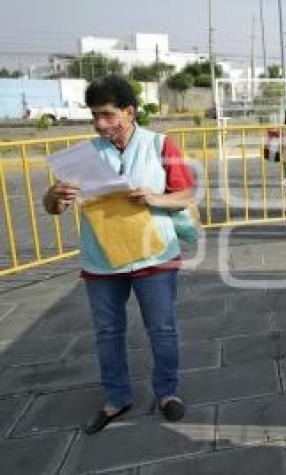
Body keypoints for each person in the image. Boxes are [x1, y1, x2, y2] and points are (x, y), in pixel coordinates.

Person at [42, 75, 195, 434]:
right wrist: (55, 195)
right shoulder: (83, 155)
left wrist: (155, 198)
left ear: (130, 112)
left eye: (108, 115)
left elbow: (186, 195)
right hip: (101, 259)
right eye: (94, 115)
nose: (100, 124)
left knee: (162, 329)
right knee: (108, 332)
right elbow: (52, 208)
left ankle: (167, 393)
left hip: (154, 255)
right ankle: (116, 397)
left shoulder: (160, 145)